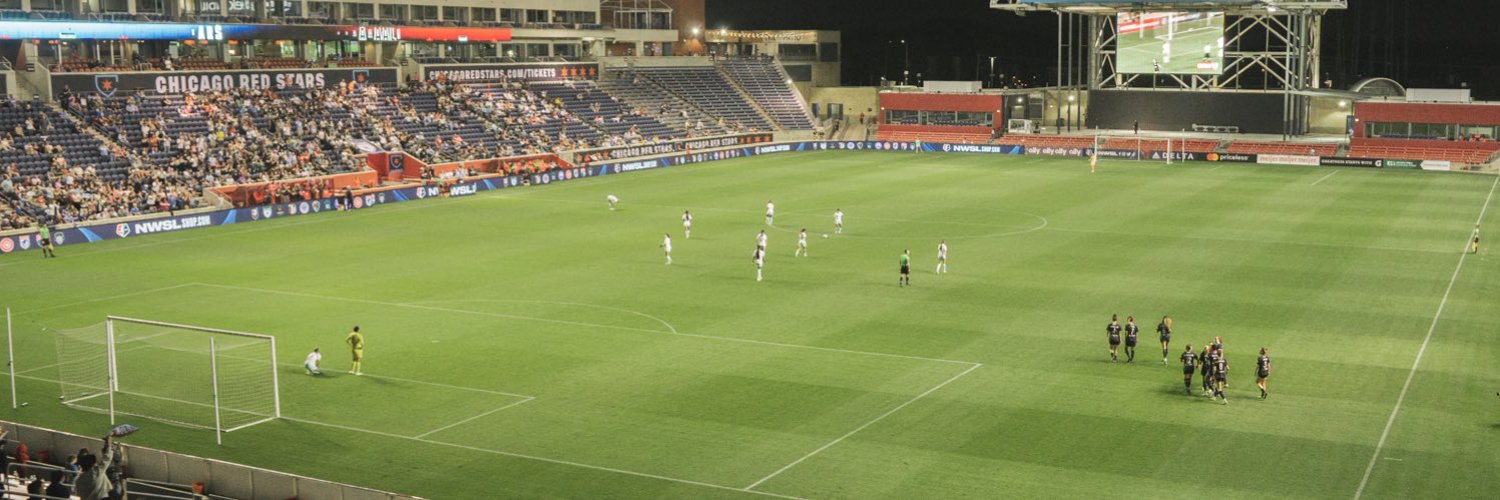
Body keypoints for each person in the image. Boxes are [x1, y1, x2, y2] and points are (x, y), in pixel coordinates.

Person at [72, 436, 114, 500]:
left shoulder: (79, 481)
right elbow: (107, 458)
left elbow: (80, 495)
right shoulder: (96, 471)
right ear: (93, 464)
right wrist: (108, 445)